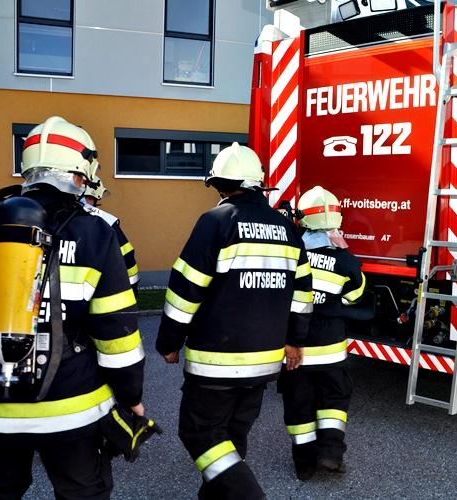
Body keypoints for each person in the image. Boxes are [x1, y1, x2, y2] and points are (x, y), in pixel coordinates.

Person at [0, 116, 146, 499]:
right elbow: (117, 334)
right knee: (82, 492)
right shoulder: (96, 232)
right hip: (72, 409)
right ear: (80, 173)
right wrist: (131, 397)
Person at [155, 143, 313, 499]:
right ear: (259, 184)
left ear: (219, 184)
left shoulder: (215, 222)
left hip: (215, 362)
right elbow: (303, 293)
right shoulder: (287, 228)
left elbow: (185, 291)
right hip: (264, 362)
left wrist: (169, 343)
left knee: (200, 433)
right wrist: (295, 340)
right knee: (231, 435)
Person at [278, 186, 366, 481]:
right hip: (330, 349)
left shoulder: (290, 253)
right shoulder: (344, 258)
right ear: (336, 218)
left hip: (295, 349)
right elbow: (355, 295)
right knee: (334, 399)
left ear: (302, 219)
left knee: (298, 404)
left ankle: (303, 465)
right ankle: (330, 454)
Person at [81, 174, 141, 289]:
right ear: (93, 197)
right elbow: (127, 257)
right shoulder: (107, 221)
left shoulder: (53, 218)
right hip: (99, 289)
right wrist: (132, 288)